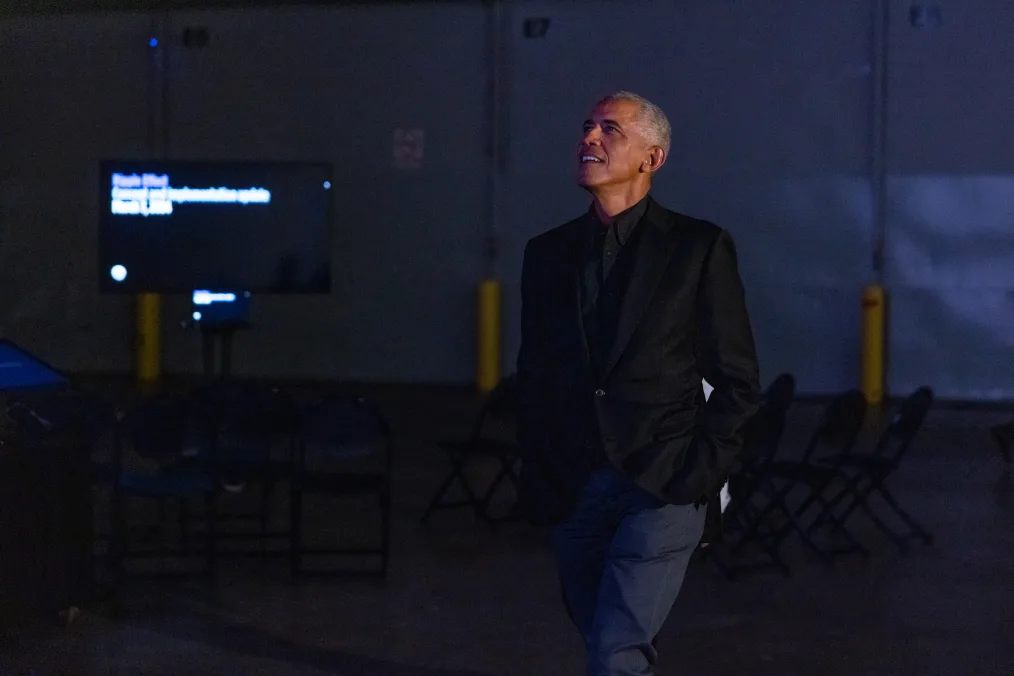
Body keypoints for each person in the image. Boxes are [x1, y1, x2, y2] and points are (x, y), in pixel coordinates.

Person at [515, 91, 762, 675]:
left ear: (652, 158)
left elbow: (737, 378)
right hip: (574, 484)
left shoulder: (698, 248)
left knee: (613, 651)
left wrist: (701, 473)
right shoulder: (546, 254)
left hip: (663, 483)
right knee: (602, 637)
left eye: (610, 130)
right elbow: (535, 373)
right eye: (586, 127)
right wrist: (540, 462)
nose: (590, 139)